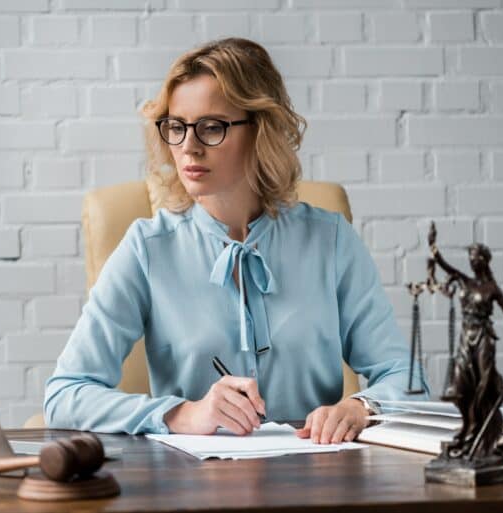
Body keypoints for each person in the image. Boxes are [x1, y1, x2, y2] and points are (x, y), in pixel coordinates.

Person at [44, 38, 427, 444]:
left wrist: (360, 408)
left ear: (260, 130)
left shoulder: (330, 240)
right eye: (176, 127)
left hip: (316, 481)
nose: (188, 146)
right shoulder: (147, 248)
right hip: (191, 487)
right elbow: (65, 394)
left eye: (211, 127)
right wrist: (181, 413)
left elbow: (406, 378)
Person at [429, 240, 503, 459]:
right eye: (470, 257)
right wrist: (434, 250)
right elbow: (445, 266)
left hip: (484, 338)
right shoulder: (465, 281)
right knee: (461, 386)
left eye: (475, 257)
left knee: (483, 386)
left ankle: (480, 434)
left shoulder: (491, 288)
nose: (471, 261)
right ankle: (468, 427)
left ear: (483, 260)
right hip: (466, 338)